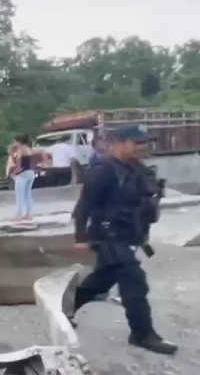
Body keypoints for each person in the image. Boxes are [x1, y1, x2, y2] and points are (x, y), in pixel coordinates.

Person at [71, 125, 177, 355]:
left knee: (100, 282)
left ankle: (65, 308)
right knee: (134, 280)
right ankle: (142, 334)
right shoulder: (103, 170)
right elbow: (84, 206)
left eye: (144, 142)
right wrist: (80, 236)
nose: (142, 147)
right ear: (117, 143)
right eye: (136, 142)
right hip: (107, 235)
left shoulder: (139, 170)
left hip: (128, 235)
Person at [10, 135, 36, 220]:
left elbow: (18, 163)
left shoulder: (20, 150)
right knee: (27, 195)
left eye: (14, 141)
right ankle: (29, 214)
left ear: (19, 142)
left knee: (19, 195)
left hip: (23, 174)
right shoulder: (29, 149)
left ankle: (18, 215)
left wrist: (15, 173)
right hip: (31, 173)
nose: (14, 143)